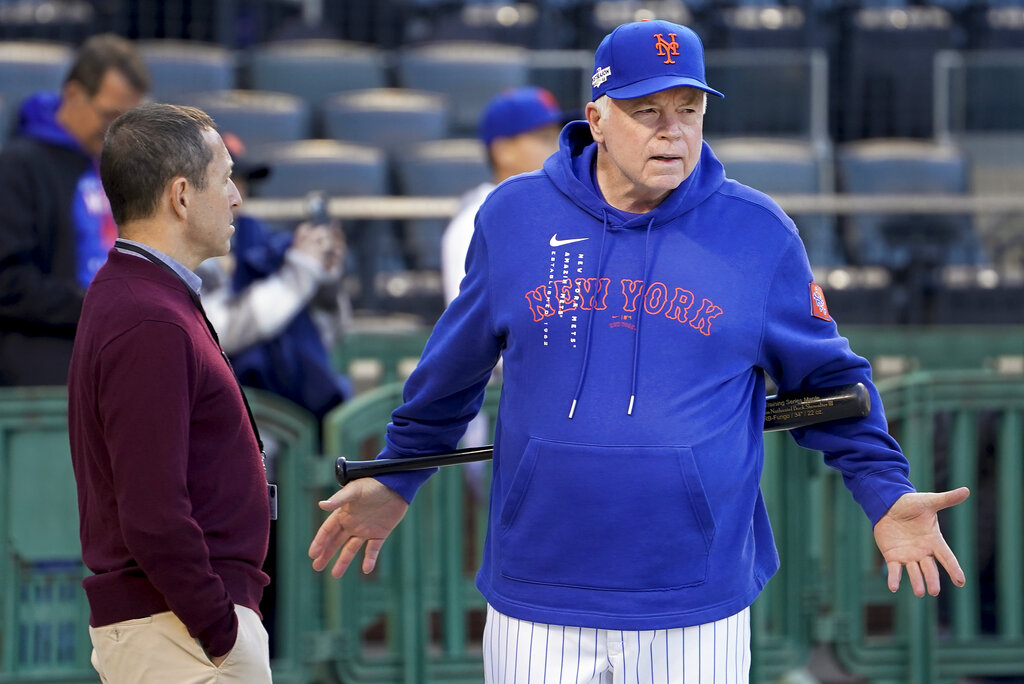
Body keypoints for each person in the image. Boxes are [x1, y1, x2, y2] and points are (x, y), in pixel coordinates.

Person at [309, 20, 969, 683]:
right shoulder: (514, 218)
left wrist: (886, 493)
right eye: (646, 110)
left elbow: (831, 384)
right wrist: (397, 475)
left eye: (689, 110)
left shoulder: (758, 232)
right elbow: (450, 375)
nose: (672, 130)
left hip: (694, 597)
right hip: (540, 587)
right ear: (596, 118)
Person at [68, 103, 273, 683]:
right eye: (225, 177)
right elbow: (153, 512)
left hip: (175, 627)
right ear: (182, 196)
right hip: (180, 635)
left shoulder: (145, 298)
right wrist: (220, 631)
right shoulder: (146, 316)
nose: (237, 197)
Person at [0, 33, 149, 386]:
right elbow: (8, 284)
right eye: (110, 115)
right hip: (42, 351)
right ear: (73, 95)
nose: (118, 132)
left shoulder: (121, 166)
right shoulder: (19, 166)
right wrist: (97, 303)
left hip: (112, 336)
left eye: (128, 120)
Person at [198, 132, 352, 422]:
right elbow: (217, 330)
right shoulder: (188, 244)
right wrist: (301, 271)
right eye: (225, 179)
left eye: (241, 181)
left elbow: (327, 335)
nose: (236, 196)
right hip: (220, 409)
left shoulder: (259, 238)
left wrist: (325, 277)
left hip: (282, 410)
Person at [441, 85, 564, 305]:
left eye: (557, 137)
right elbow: (468, 326)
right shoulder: (475, 221)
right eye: (544, 138)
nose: (558, 148)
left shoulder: (552, 210)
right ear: (503, 151)